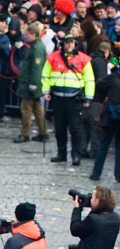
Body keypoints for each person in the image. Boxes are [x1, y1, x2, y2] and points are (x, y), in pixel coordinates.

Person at [42, 33, 94, 166]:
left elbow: (89, 80)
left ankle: (76, 155)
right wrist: (46, 91)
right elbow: (45, 76)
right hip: (58, 98)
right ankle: (61, 154)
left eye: (72, 42)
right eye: (67, 43)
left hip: (74, 99)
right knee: (59, 129)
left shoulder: (83, 59)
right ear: (63, 44)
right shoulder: (53, 58)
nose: (70, 45)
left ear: (75, 44)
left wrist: (88, 97)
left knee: (76, 129)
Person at [14, 23, 47, 142]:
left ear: (33, 34)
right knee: (37, 109)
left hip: (30, 83)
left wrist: (33, 84)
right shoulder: (35, 46)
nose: (26, 37)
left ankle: (25, 133)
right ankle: (43, 132)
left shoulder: (37, 48)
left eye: (27, 34)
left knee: (26, 109)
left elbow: (36, 68)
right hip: (32, 83)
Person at [89, 62, 120, 181]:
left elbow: (99, 84)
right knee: (119, 146)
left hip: (110, 116)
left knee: (103, 145)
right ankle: (118, 175)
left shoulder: (112, 77)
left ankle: (96, 173)